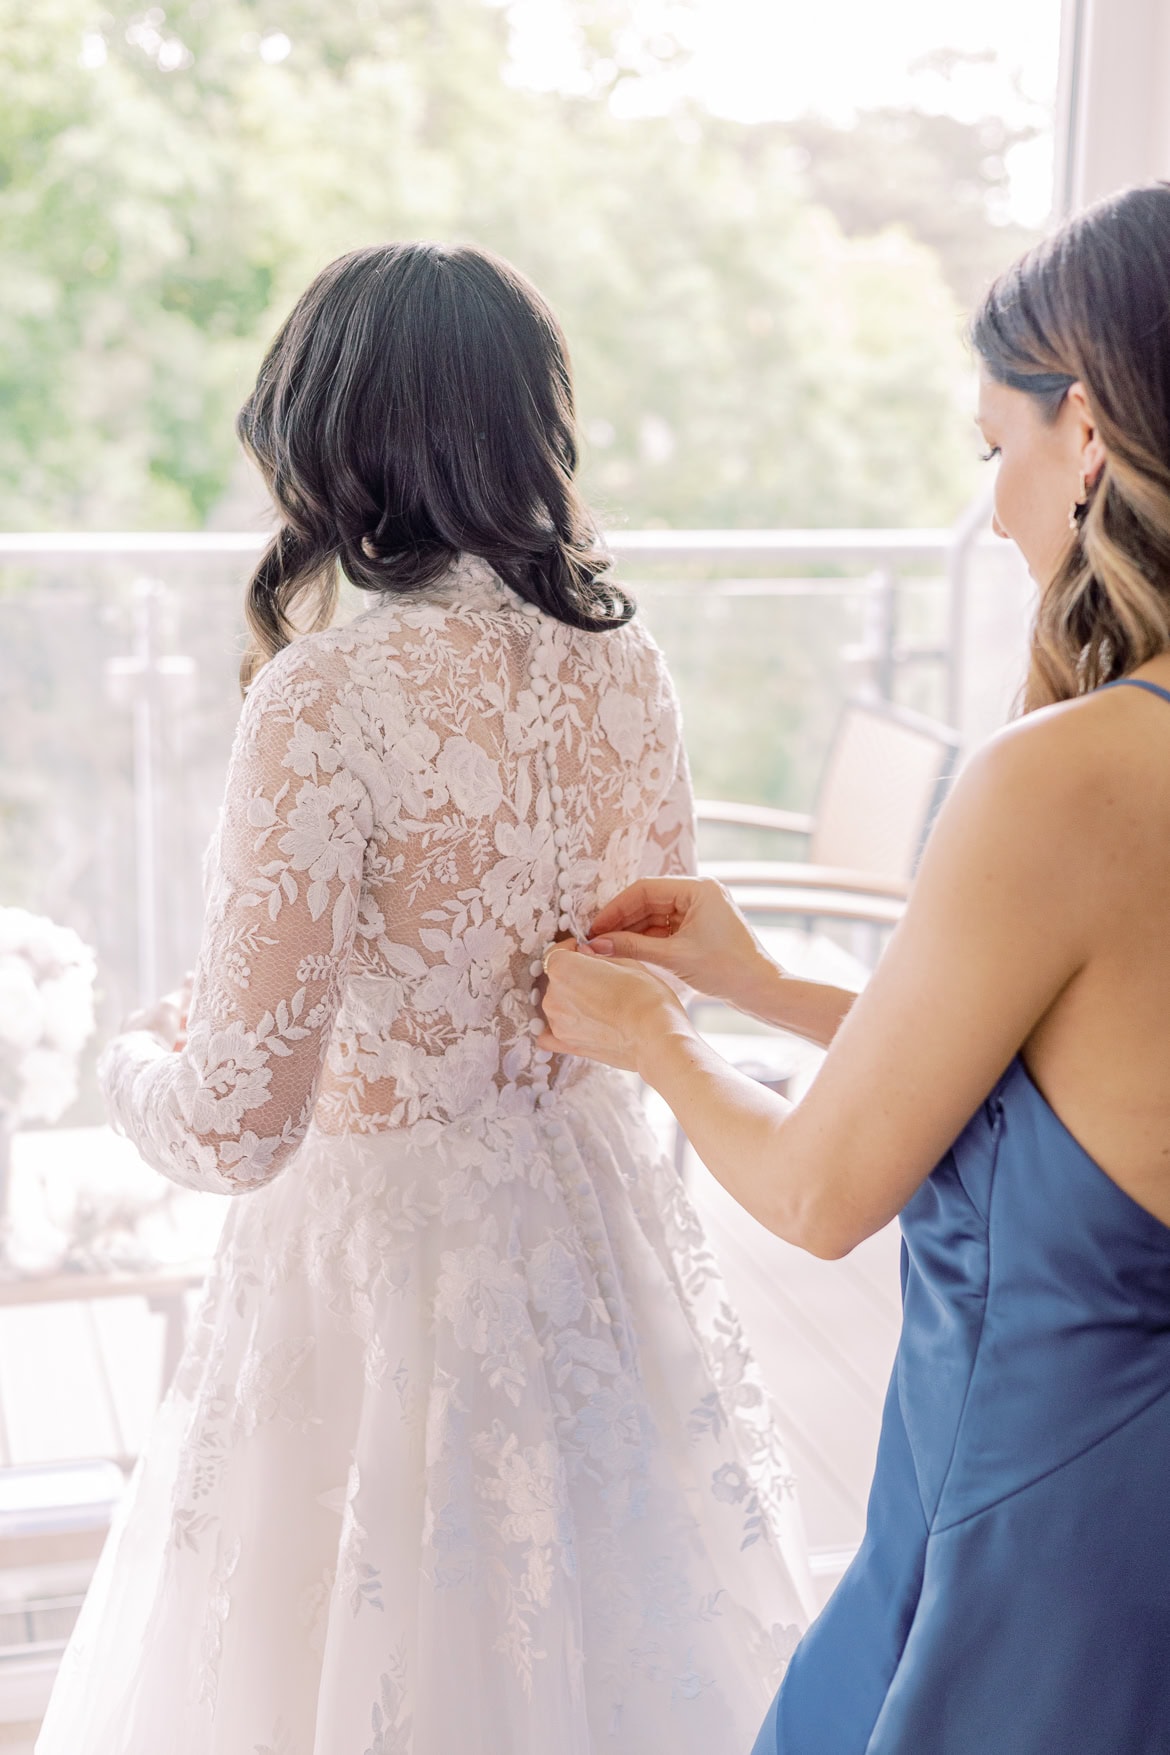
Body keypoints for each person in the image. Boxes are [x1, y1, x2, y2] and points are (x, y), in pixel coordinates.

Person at [34, 243, 812, 1755]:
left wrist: (132, 1062)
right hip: (583, 1225)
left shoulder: (323, 694)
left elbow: (241, 1131)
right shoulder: (621, 660)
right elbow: (628, 960)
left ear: (322, 433)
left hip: (373, 1269)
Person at [540, 182, 1170, 1754]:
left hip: (1039, 1567)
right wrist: (763, 987)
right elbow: (1089, 1094)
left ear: (1085, 434)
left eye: (993, 452)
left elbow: (822, 1196)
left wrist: (659, 1042)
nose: (1000, 506)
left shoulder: (1072, 777)